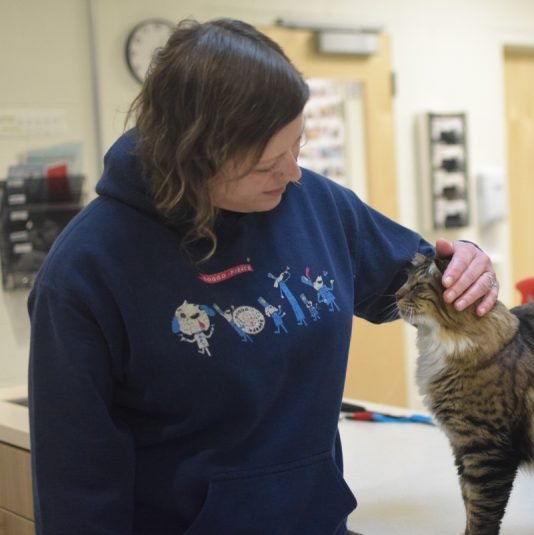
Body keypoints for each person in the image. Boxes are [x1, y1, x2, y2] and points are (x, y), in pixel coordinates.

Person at [27, 18, 498, 535]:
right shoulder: (85, 271)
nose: (293, 173)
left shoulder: (316, 205)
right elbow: (77, 489)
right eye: (266, 164)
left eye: (296, 147)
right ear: (192, 157)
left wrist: (467, 264)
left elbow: (420, 278)